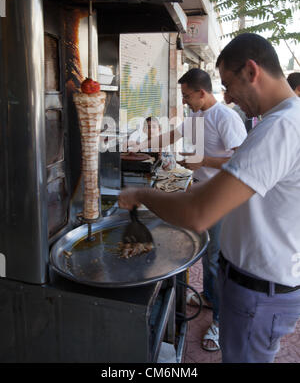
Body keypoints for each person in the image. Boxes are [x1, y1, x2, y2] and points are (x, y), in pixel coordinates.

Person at [119, 33, 300, 363]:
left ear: (251, 71)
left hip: (260, 292)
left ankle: (214, 320)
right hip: (253, 284)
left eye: (229, 85)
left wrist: (141, 194)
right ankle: (214, 304)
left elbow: (200, 213)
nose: (229, 97)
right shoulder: (278, 121)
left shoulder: (282, 126)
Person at [129, 68, 248, 351]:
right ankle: (209, 296)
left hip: (221, 197)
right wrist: (136, 146)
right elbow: (171, 135)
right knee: (207, 253)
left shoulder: (225, 117)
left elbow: (242, 160)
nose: (184, 101)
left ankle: (220, 321)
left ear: (202, 92)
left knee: (217, 258)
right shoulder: (196, 117)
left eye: (186, 96)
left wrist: (204, 161)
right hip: (200, 191)